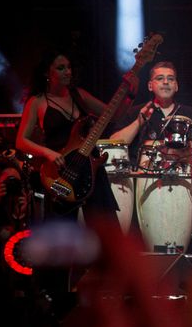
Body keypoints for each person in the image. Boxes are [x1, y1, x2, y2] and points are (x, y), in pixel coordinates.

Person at [15, 50, 138, 225]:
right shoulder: (37, 102)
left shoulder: (79, 94)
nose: (68, 72)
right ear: (46, 73)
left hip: (90, 166)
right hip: (61, 172)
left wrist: (131, 94)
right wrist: (48, 153)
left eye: (69, 67)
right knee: (63, 233)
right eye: (61, 68)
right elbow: (21, 141)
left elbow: (114, 115)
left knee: (105, 227)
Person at [110, 61, 192, 162]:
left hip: (181, 176)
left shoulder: (191, 114)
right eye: (160, 78)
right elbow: (112, 145)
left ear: (176, 86)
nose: (166, 82)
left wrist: (181, 151)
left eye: (170, 79)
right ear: (150, 86)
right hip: (140, 176)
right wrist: (138, 123)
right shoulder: (135, 112)